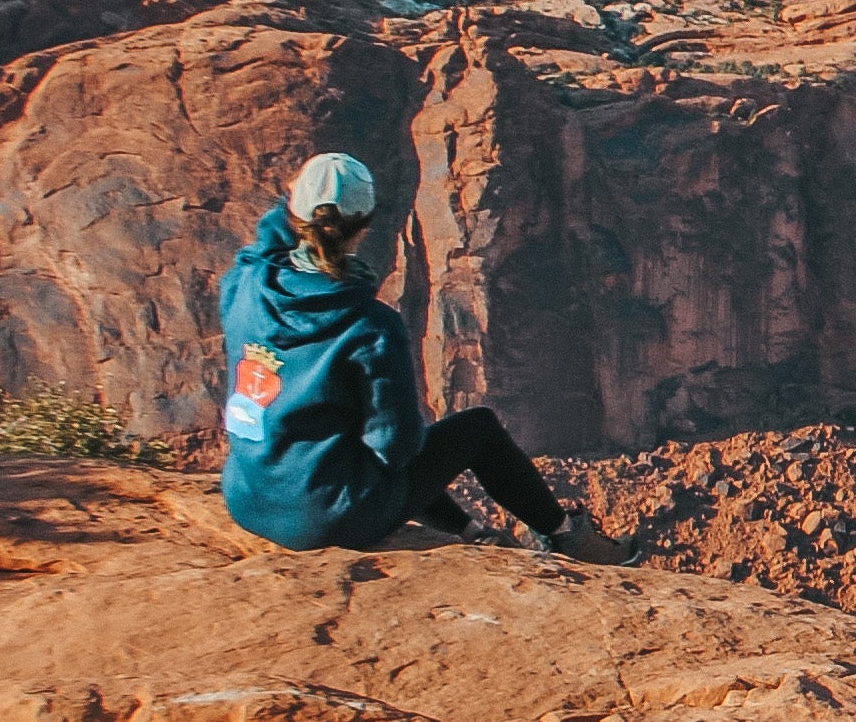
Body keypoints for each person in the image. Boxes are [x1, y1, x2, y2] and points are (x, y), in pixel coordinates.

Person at [218, 151, 636, 563]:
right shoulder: (369, 326)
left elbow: (264, 244)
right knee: (476, 430)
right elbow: (396, 448)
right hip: (326, 519)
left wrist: (293, 201)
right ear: (363, 226)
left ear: (295, 213)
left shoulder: (244, 282)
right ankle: (569, 539)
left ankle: (470, 532)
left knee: (365, 447)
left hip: (248, 498)